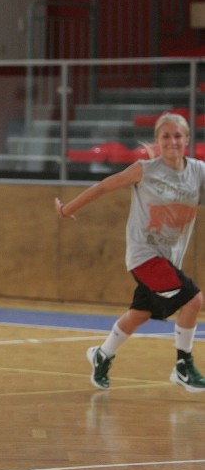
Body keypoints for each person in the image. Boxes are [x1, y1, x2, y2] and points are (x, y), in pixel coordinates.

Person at [55, 112, 205, 393]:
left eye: (177, 136)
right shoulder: (144, 170)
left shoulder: (198, 171)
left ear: (187, 139)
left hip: (169, 258)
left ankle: (103, 354)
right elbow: (103, 187)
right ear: (158, 141)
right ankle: (183, 365)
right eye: (165, 136)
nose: (172, 141)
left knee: (140, 313)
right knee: (194, 300)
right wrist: (67, 209)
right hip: (144, 255)